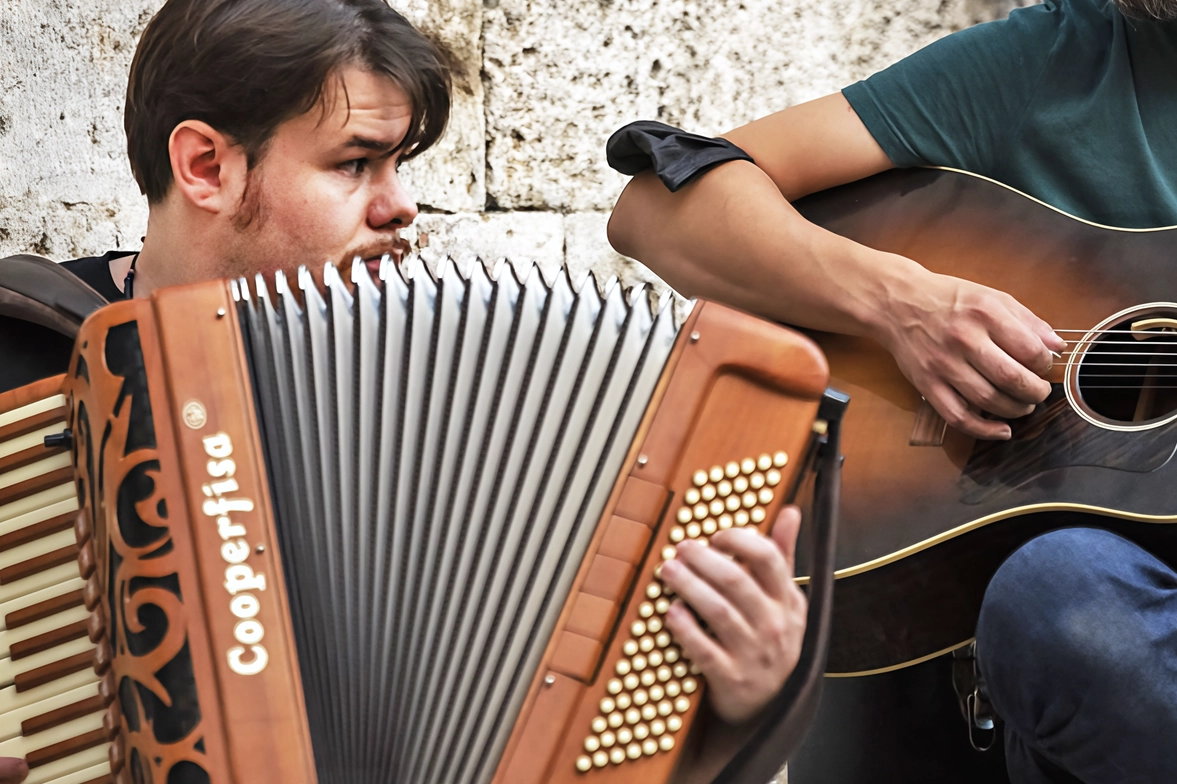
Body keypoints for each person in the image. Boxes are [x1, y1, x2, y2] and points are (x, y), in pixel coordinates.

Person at [0, 1, 807, 781]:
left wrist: (744, 714)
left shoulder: (464, 409)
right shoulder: (23, 358)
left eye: (398, 165)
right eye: (354, 164)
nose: (400, 206)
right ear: (206, 166)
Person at [608, 0, 1177, 781]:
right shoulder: (1053, 57)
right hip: (1143, 627)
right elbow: (658, 207)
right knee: (1055, 586)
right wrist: (900, 304)